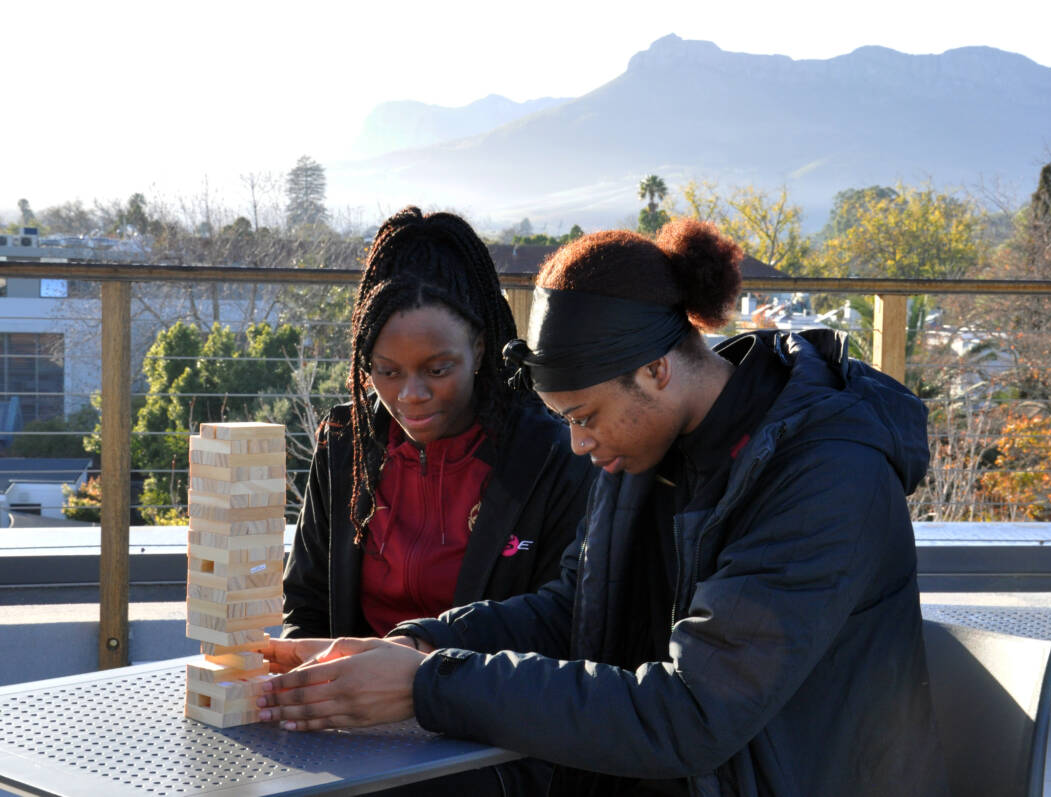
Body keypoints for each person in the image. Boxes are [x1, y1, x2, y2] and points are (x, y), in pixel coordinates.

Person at [261, 218, 949, 796]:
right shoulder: (650, 442)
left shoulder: (824, 473)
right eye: (564, 418)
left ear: (657, 370)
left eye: (585, 415)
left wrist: (429, 685)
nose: (577, 443)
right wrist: (423, 643)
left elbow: (692, 713)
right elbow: (575, 610)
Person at [281, 206, 594, 794]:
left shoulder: (556, 452)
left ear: (480, 345)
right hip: (353, 742)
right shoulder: (346, 444)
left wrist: (424, 678)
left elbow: (565, 629)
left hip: (494, 748)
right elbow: (307, 603)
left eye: (437, 368)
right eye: (386, 371)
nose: (411, 395)